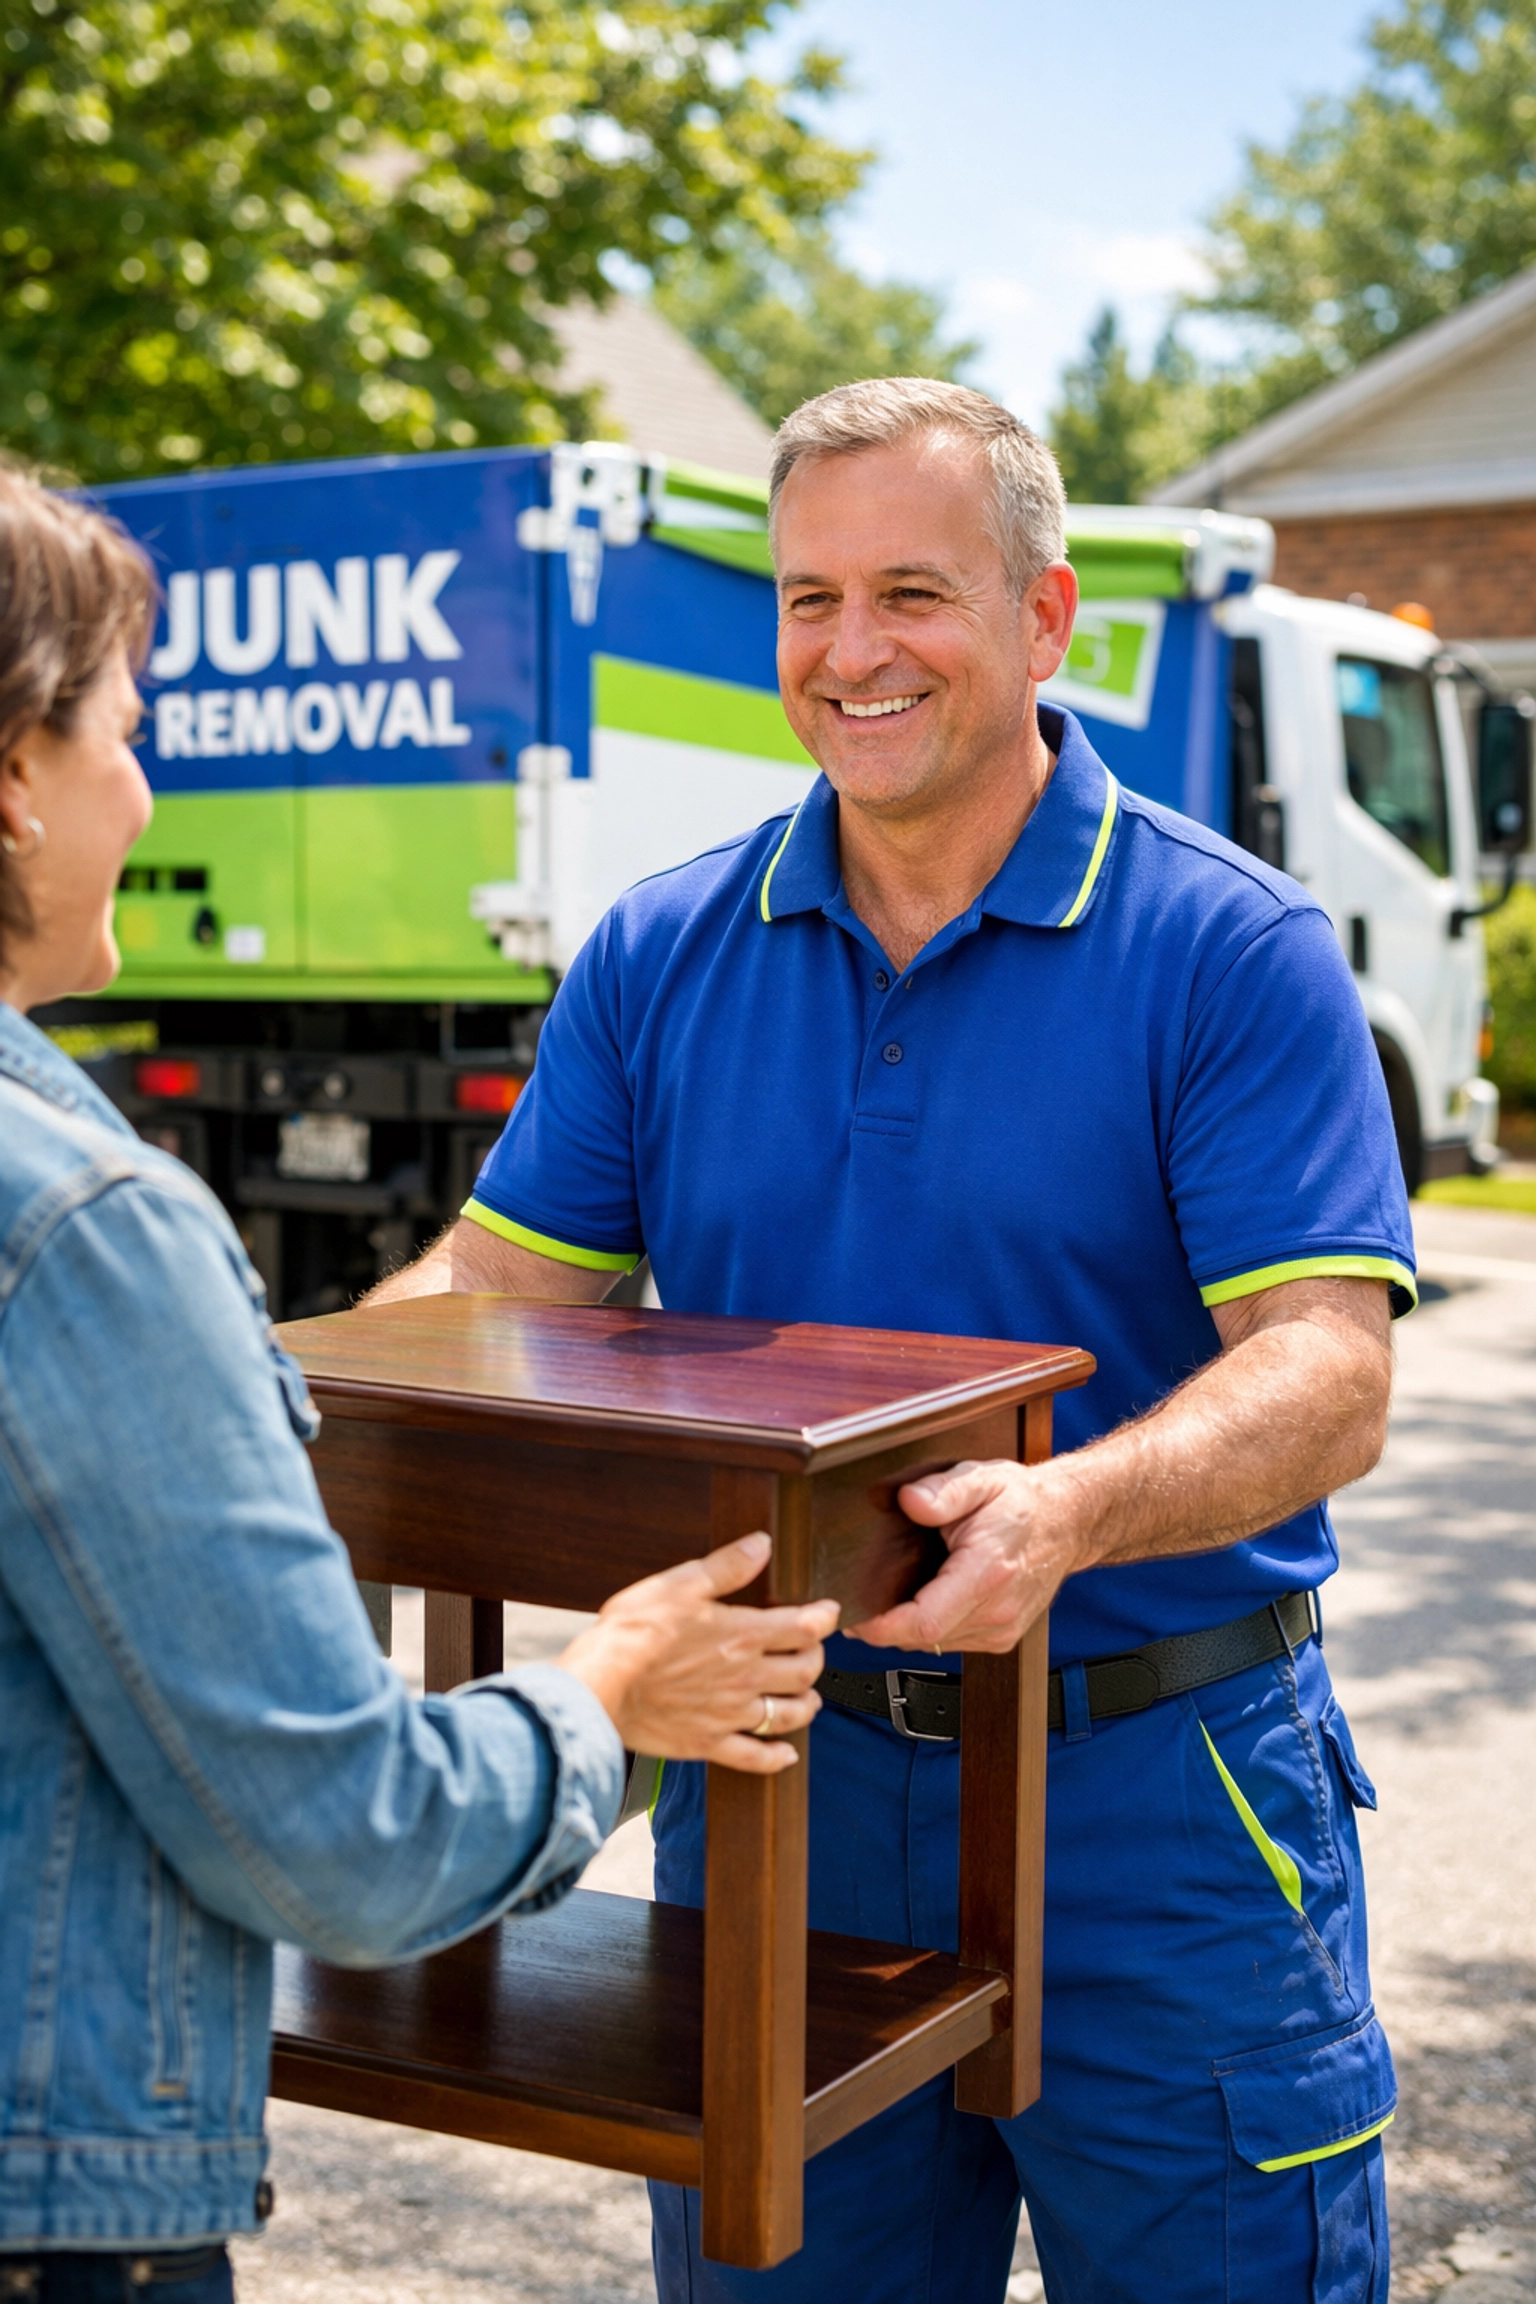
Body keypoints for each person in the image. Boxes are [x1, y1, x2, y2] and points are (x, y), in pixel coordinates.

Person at [370, 377, 1413, 2304]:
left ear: (1044, 616)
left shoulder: (1228, 949)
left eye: (912, 593)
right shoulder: (663, 950)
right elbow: (498, 1299)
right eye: (806, 600)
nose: (850, 653)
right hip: (788, 1784)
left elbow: (1328, 1367)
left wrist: (1067, 1515)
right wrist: (241, 1406)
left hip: (1157, 1795)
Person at [0, 465, 837, 2304]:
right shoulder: (79, 1229)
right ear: (15, 783)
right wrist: (614, 1690)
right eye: (129, 735)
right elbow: (351, 1847)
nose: (147, 791)